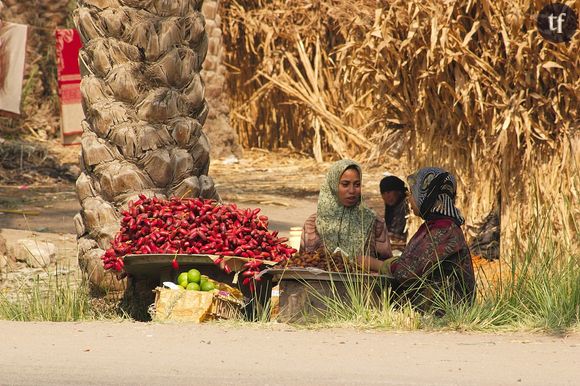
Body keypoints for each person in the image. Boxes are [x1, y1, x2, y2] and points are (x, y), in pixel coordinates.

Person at [357, 167, 476, 308]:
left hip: (445, 311)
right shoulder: (435, 226)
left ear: (427, 195)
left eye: (413, 193)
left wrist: (375, 264)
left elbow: (407, 272)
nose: (409, 199)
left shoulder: (443, 230)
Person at [300, 159, 392, 261]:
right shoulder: (312, 224)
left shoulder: (374, 221)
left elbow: (386, 266)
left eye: (357, 185)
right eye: (345, 184)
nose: (352, 190)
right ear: (333, 185)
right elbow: (303, 262)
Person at [379, 174, 410, 246]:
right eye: (383, 193)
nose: (386, 196)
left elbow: (395, 236)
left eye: (389, 192)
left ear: (399, 192)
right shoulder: (393, 208)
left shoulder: (405, 207)